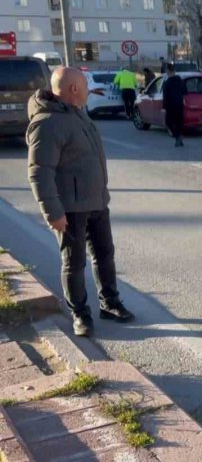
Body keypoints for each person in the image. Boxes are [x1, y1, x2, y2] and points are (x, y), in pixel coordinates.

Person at [26, 67, 135, 337]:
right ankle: (80, 314)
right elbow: (39, 171)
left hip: (96, 200)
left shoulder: (77, 114)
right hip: (70, 209)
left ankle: (109, 302)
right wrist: (53, 212)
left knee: (104, 254)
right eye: (84, 83)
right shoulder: (47, 122)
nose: (88, 87)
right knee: (74, 264)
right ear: (73, 89)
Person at [162, 63, 186, 147]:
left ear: (168, 70)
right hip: (179, 104)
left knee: (169, 122)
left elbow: (165, 96)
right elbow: (184, 91)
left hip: (170, 105)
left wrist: (164, 107)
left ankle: (177, 137)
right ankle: (179, 139)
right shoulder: (180, 81)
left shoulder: (167, 83)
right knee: (179, 122)